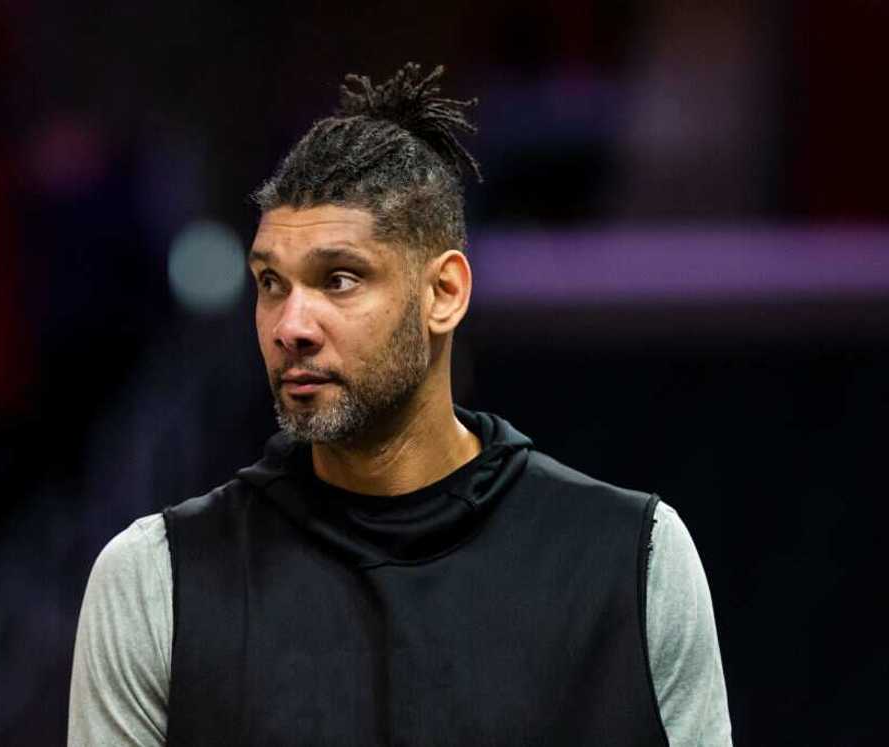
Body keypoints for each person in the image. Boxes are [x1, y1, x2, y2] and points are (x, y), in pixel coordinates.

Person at [68, 63, 732, 746]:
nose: (289, 324)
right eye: (271, 282)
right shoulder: (158, 579)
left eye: (340, 278)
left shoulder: (634, 560)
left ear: (444, 292)